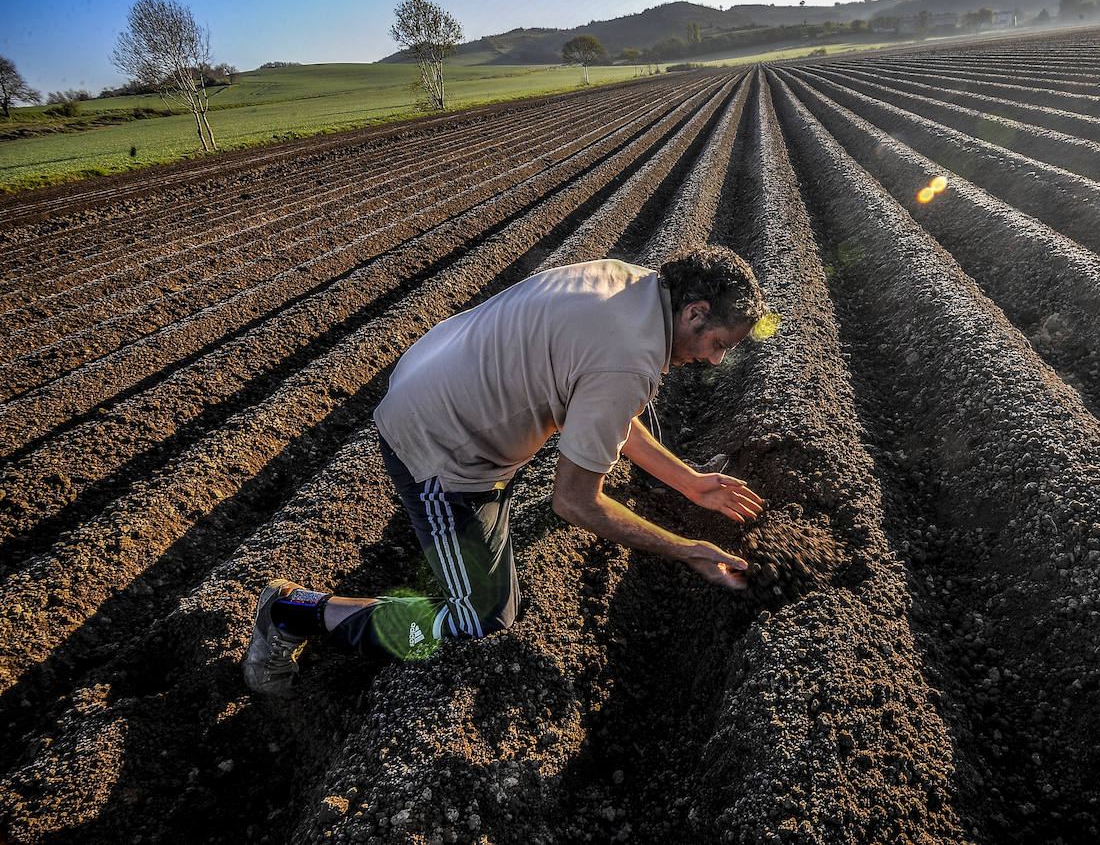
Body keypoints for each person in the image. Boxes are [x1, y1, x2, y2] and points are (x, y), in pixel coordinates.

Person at [243, 246, 770, 696]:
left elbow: (603, 410)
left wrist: (692, 484)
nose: (716, 359)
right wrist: (688, 550)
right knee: (479, 618)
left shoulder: (629, 285)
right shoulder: (627, 359)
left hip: (437, 371)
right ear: (695, 313)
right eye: (720, 343)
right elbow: (574, 502)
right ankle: (292, 612)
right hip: (438, 441)